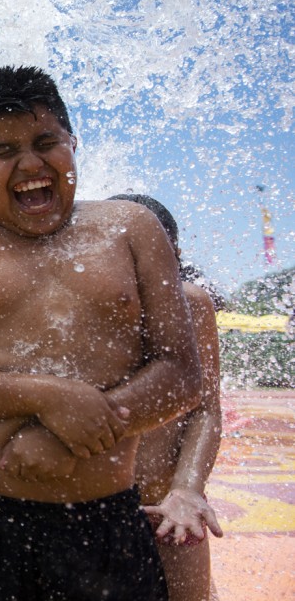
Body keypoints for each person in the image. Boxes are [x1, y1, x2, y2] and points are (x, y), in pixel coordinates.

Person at [0, 65, 201, 601]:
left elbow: (181, 374)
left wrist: (71, 441)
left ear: (72, 144)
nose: (31, 164)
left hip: (106, 524)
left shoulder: (130, 228)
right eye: (2, 151)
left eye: (46, 143)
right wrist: (48, 397)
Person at [111, 194, 224, 601]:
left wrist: (188, 489)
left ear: (172, 253)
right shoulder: (77, 308)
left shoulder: (190, 303)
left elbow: (206, 411)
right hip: (96, 510)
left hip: (170, 506)